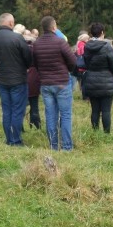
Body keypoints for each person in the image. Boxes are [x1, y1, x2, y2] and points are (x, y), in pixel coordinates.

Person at [33, 16, 78, 150]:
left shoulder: (36, 44)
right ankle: (66, 147)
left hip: (46, 84)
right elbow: (73, 60)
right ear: (54, 27)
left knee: (50, 115)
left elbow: (34, 63)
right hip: (62, 82)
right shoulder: (60, 42)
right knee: (65, 115)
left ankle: (53, 146)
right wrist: (67, 69)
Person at [0, 13, 33, 146]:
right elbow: (28, 57)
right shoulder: (17, 37)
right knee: (17, 110)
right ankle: (16, 140)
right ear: (10, 23)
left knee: (7, 110)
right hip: (18, 79)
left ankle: (9, 139)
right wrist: (25, 66)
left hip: (2, 79)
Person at [81, 22, 113, 133]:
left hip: (91, 80)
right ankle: (106, 133)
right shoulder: (107, 46)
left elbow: (86, 63)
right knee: (106, 111)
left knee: (95, 110)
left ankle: (95, 132)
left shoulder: (87, 46)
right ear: (102, 33)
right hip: (106, 80)